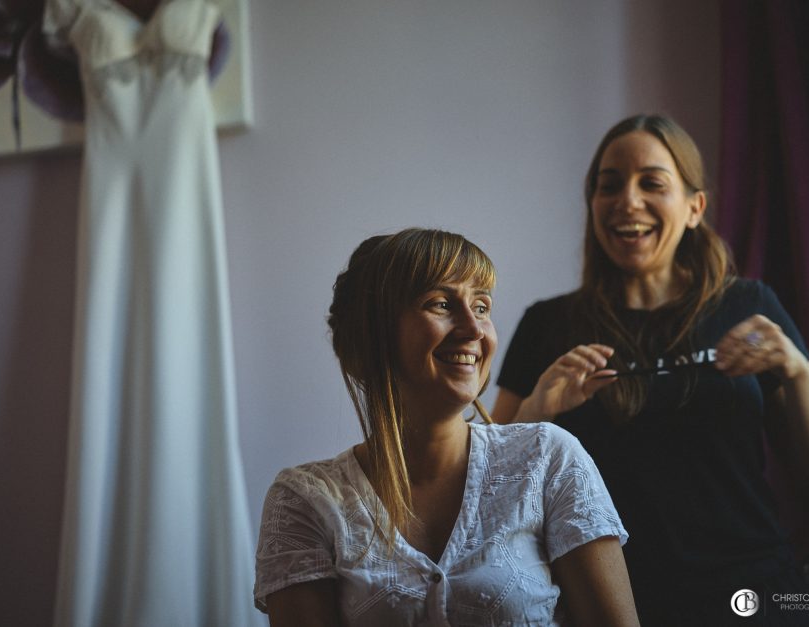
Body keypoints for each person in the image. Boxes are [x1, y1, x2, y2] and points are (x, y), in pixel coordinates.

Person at [492, 115, 809, 625]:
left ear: (694, 208)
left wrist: (798, 372)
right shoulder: (548, 324)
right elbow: (486, 496)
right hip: (612, 603)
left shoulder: (748, 305)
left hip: (753, 594)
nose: (627, 201)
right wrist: (534, 411)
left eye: (652, 183)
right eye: (608, 185)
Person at [254, 228, 640, 626]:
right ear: (370, 340)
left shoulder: (550, 458)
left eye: (482, 306)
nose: (474, 329)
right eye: (440, 304)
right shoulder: (305, 501)